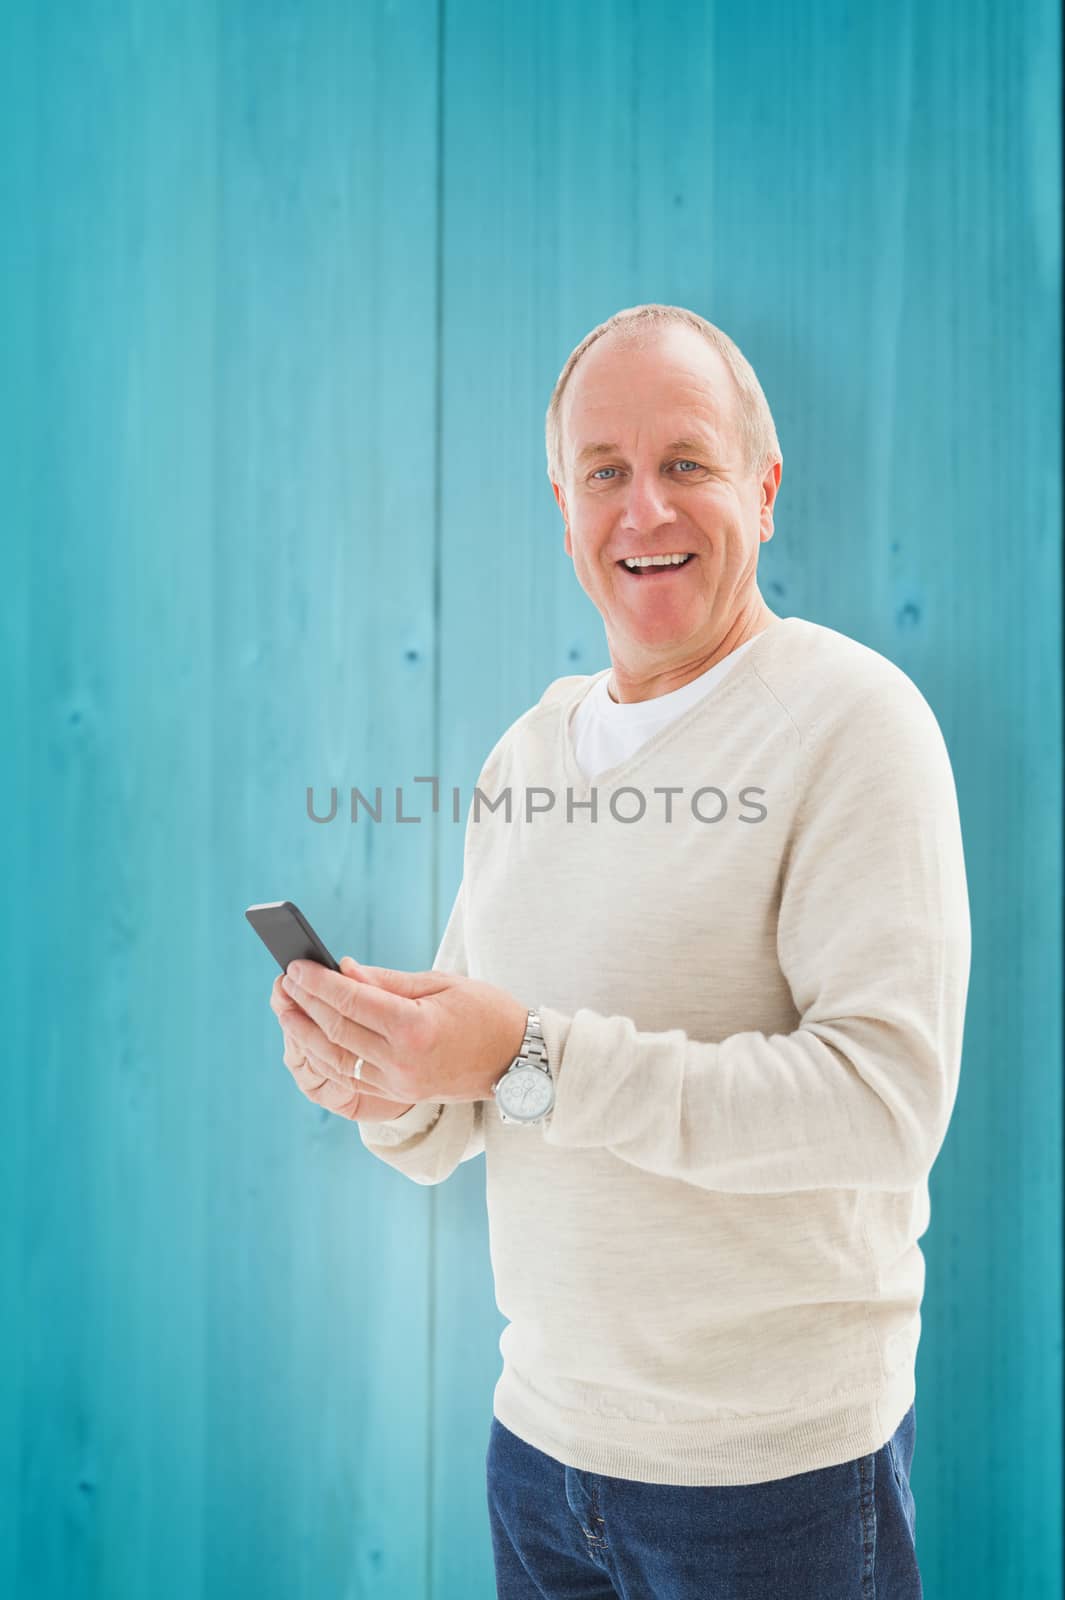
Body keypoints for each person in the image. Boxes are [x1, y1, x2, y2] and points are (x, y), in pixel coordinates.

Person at [270, 303, 970, 1598]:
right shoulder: (524, 757)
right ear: (561, 505)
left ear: (761, 488)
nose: (641, 510)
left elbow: (881, 1108)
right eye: (604, 474)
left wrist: (526, 1055)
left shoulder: (852, 725)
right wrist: (373, 1081)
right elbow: (467, 1101)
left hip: (773, 1488)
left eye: (684, 464)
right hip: (540, 1459)